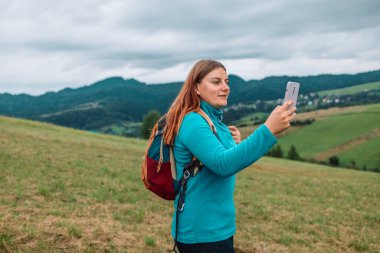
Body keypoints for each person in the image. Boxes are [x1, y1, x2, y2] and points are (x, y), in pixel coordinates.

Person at [163, 60, 296, 253]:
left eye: (226, 81)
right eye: (216, 82)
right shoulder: (193, 121)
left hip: (219, 229)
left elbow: (228, 159)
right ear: (196, 88)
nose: (225, 88)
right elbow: (223, 164)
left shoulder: (215, 121)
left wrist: (237, 144)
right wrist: (268, 130)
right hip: (200, 232)